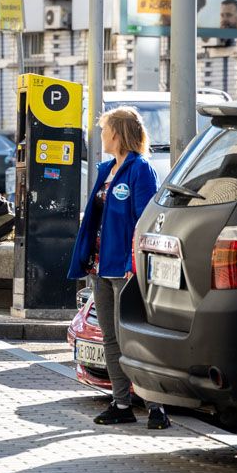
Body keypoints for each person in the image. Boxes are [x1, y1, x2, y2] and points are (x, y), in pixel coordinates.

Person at [68, 106, 169, 429]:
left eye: (103, 129)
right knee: (111, 338)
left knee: (134, 339)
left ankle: (156, 407)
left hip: (125, 268)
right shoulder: (106, 168)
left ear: (118, 133)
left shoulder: (141, 170)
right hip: (101, 265)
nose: (100, 135)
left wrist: (132, 263)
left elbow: (145, 221)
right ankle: (121, 403)